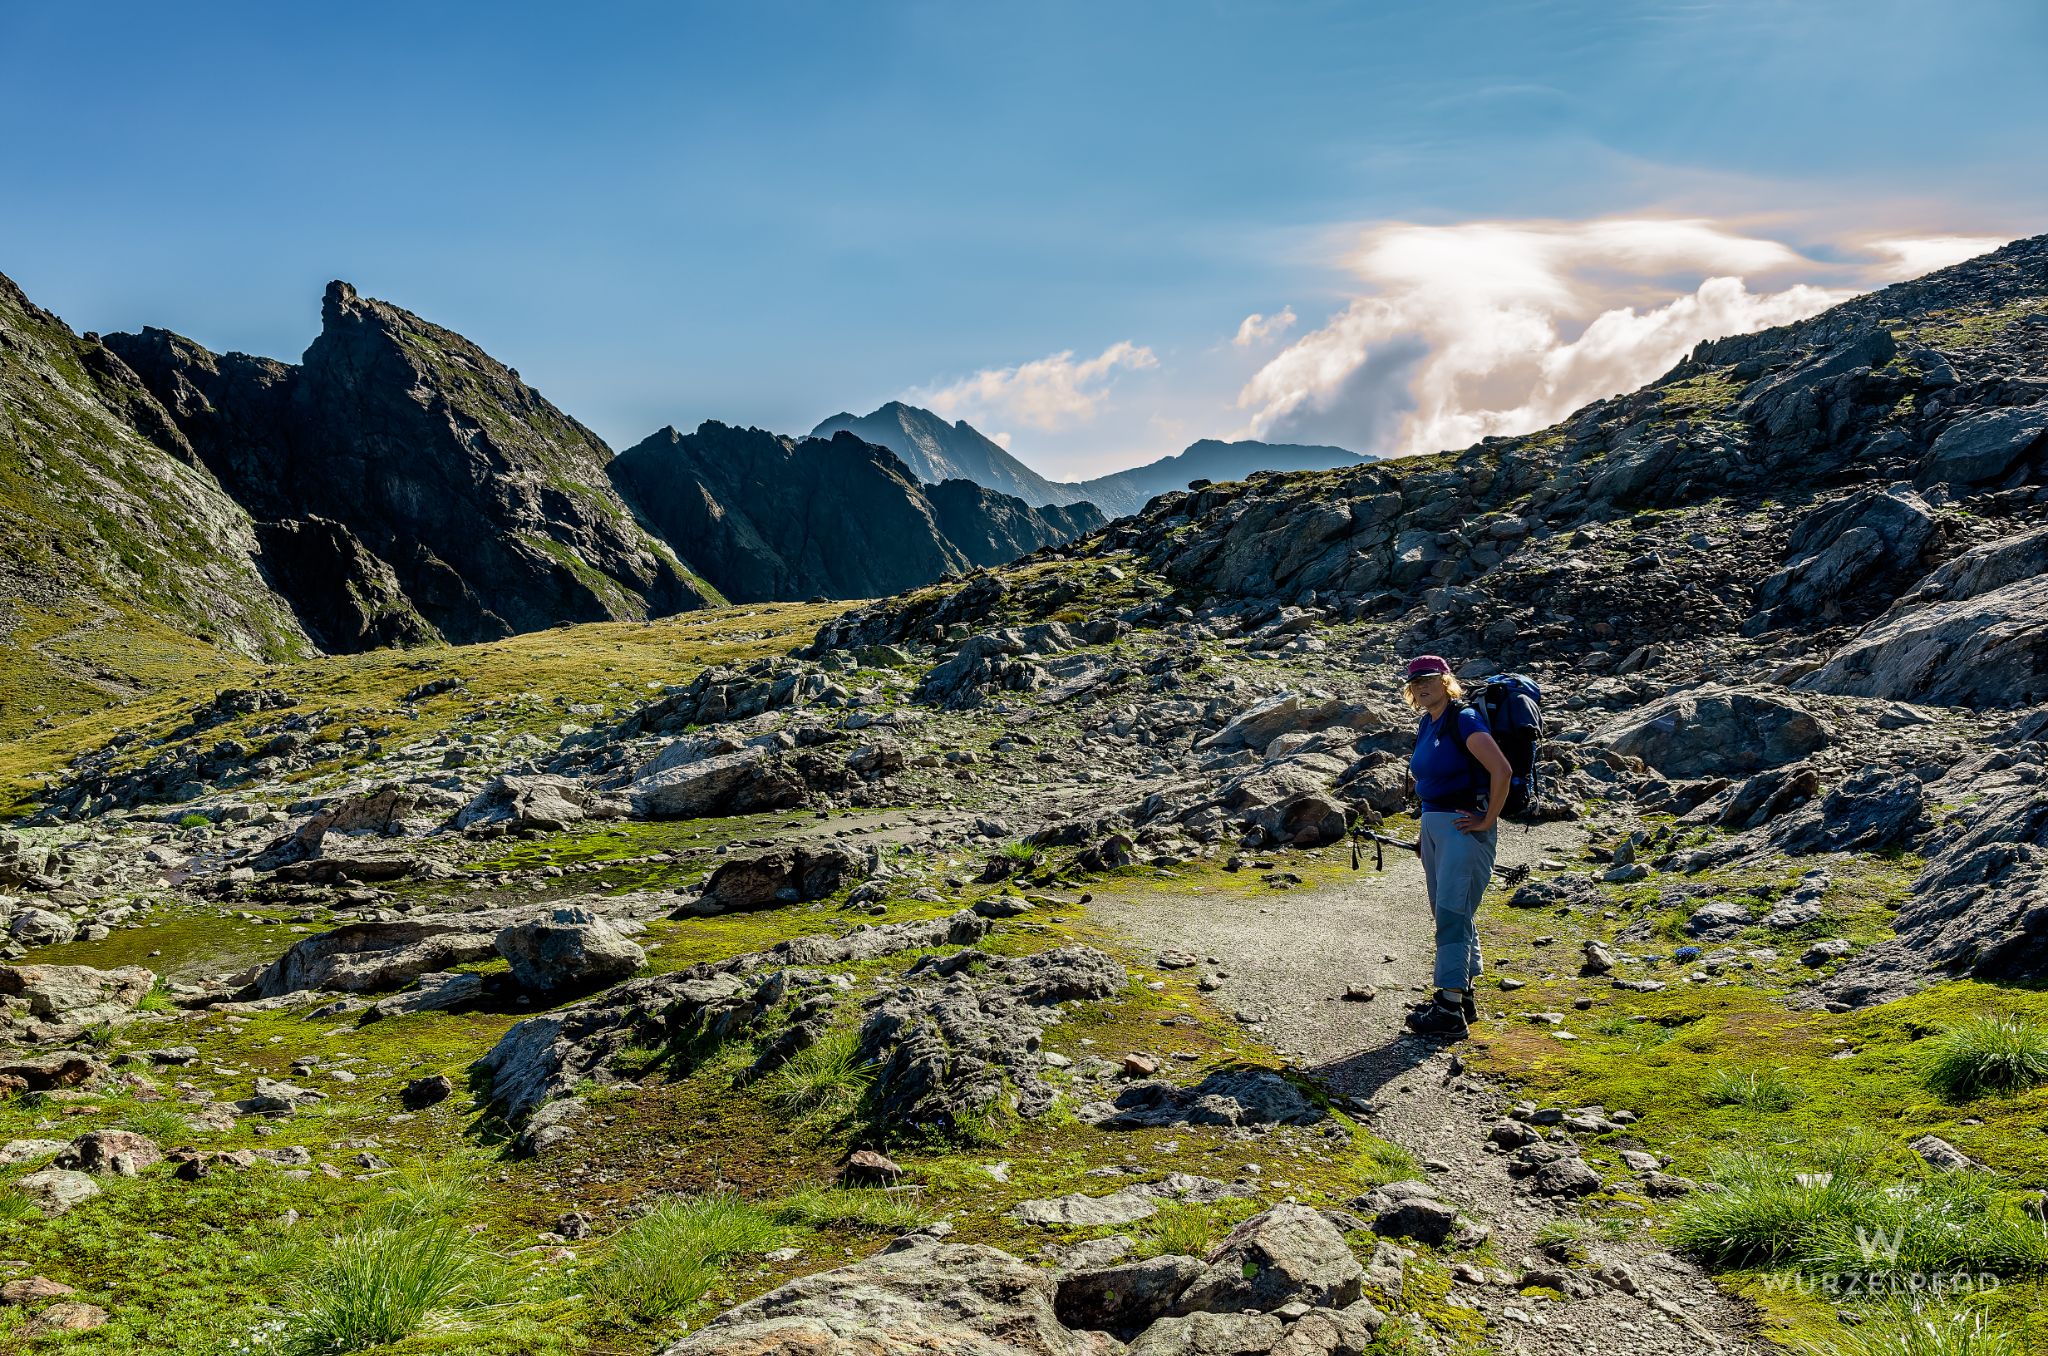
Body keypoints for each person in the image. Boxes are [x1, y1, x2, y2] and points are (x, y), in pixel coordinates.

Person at [1398, 655, 1511, 1039]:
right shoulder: (1427, 722)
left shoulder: (1464, 719)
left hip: (1463, 829)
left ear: (1446, 681)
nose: (1421, 687)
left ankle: (1448, 1009)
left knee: (1452, 912)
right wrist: (1424, 833)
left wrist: (1487, 819)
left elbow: (1502, 770)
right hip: (1435, 826)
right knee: (1450, 910)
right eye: (1415, 682)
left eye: (1428, 679)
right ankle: (1462, 997)